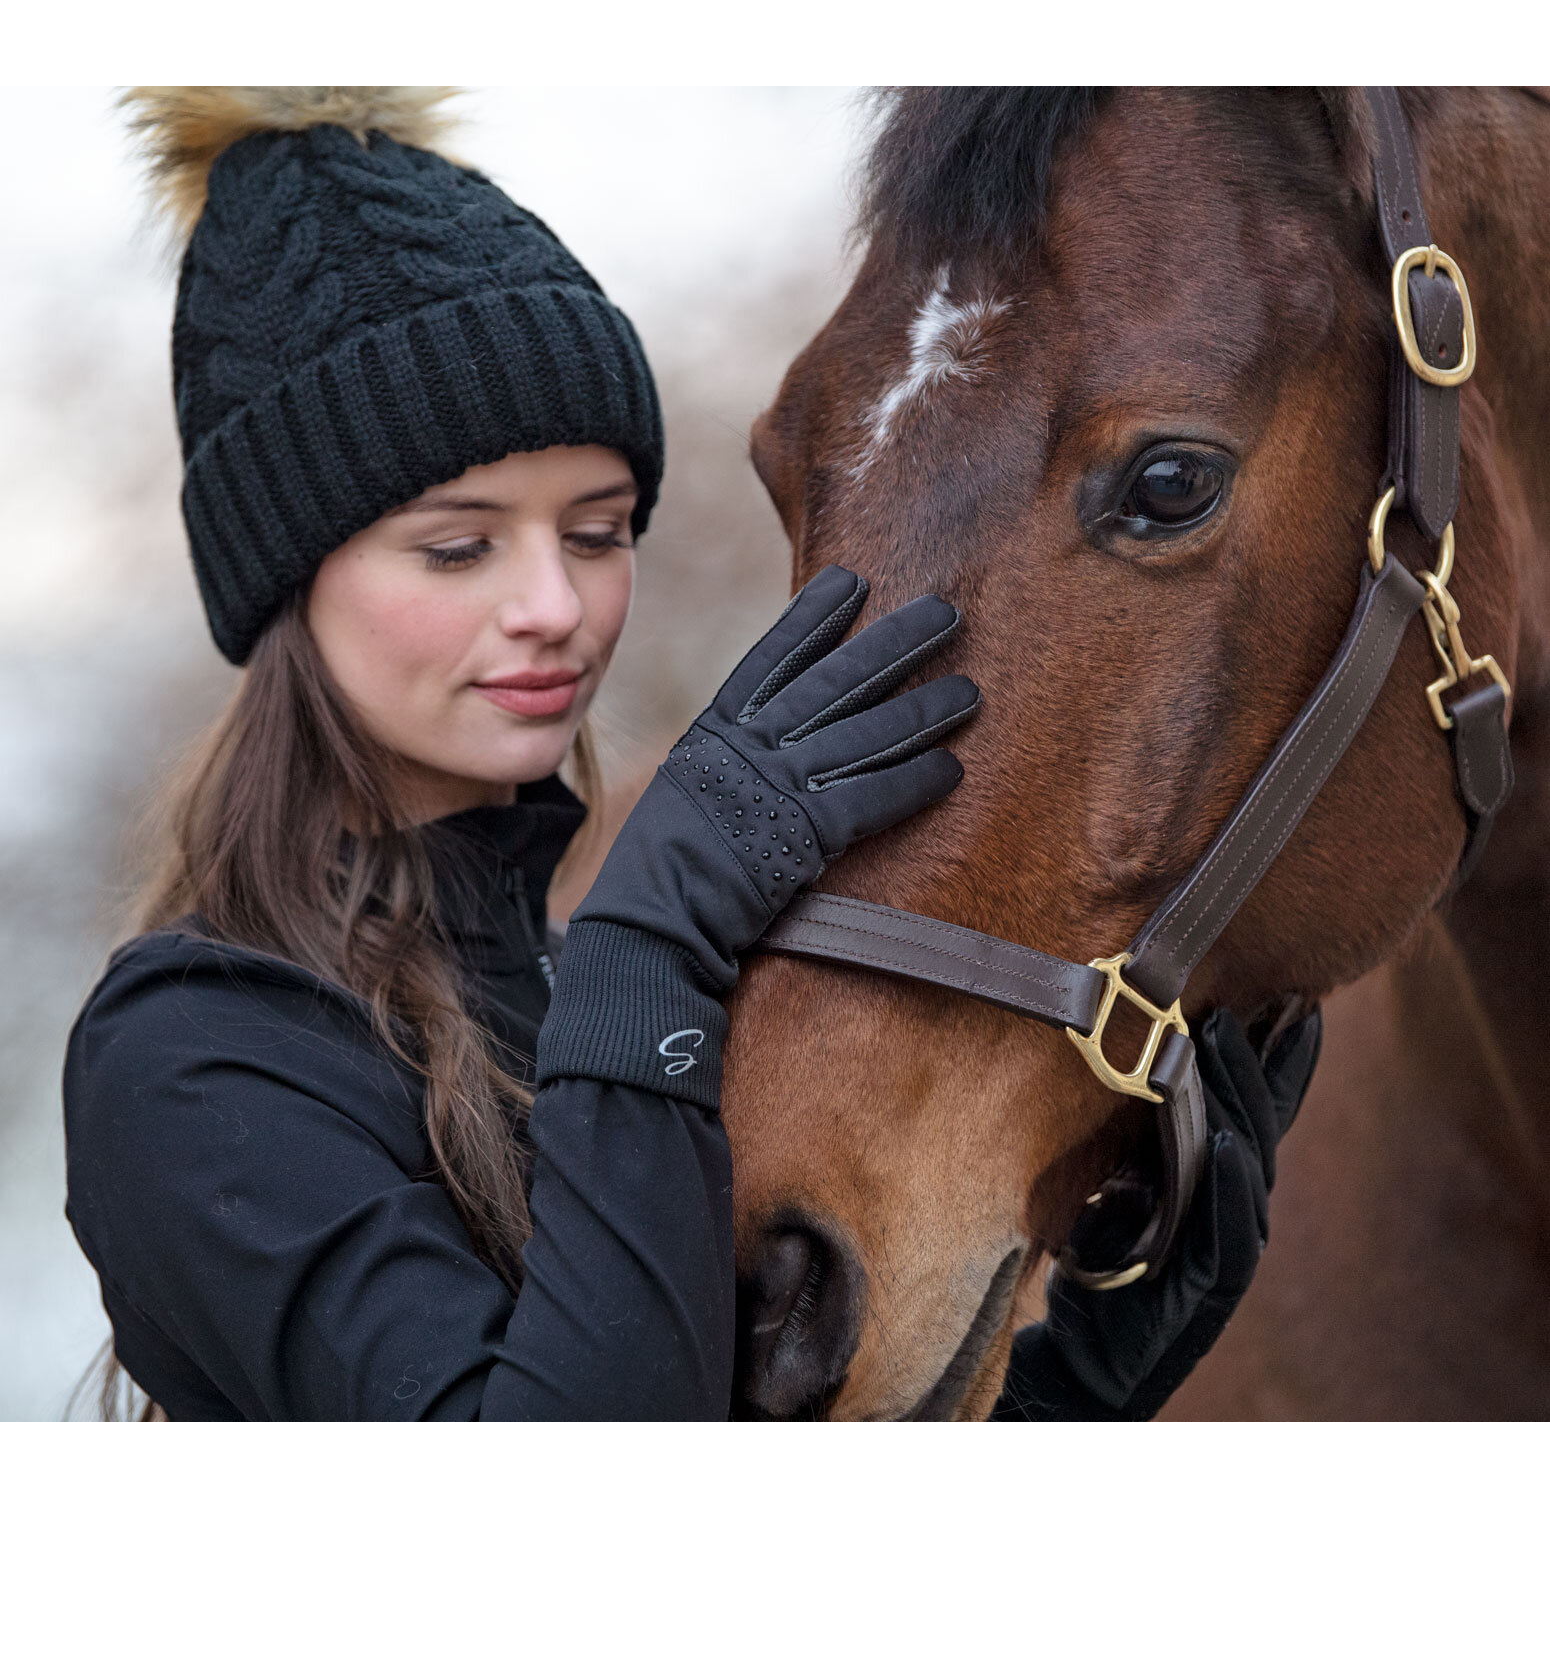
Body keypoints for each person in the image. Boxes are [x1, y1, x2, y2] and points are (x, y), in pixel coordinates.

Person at [63, 88, 1317, 1421]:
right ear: (287, 584)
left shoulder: (627, 984)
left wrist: (1088, 1374)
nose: (554, 604)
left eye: (596, 532)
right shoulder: (191, 1058)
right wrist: (645, 950)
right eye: (458, 544)